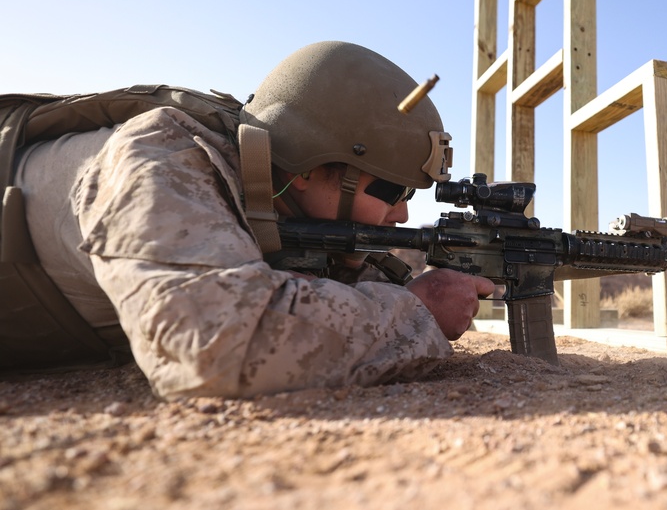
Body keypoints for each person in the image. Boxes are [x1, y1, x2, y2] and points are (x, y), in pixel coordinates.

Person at [10, 40, 494, 399]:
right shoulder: (161, 161)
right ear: (307, 168)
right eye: (391, 190)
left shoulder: (284, 206)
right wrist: (418, 312)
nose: (403, 213)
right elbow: (219, 349)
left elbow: (330, 294)